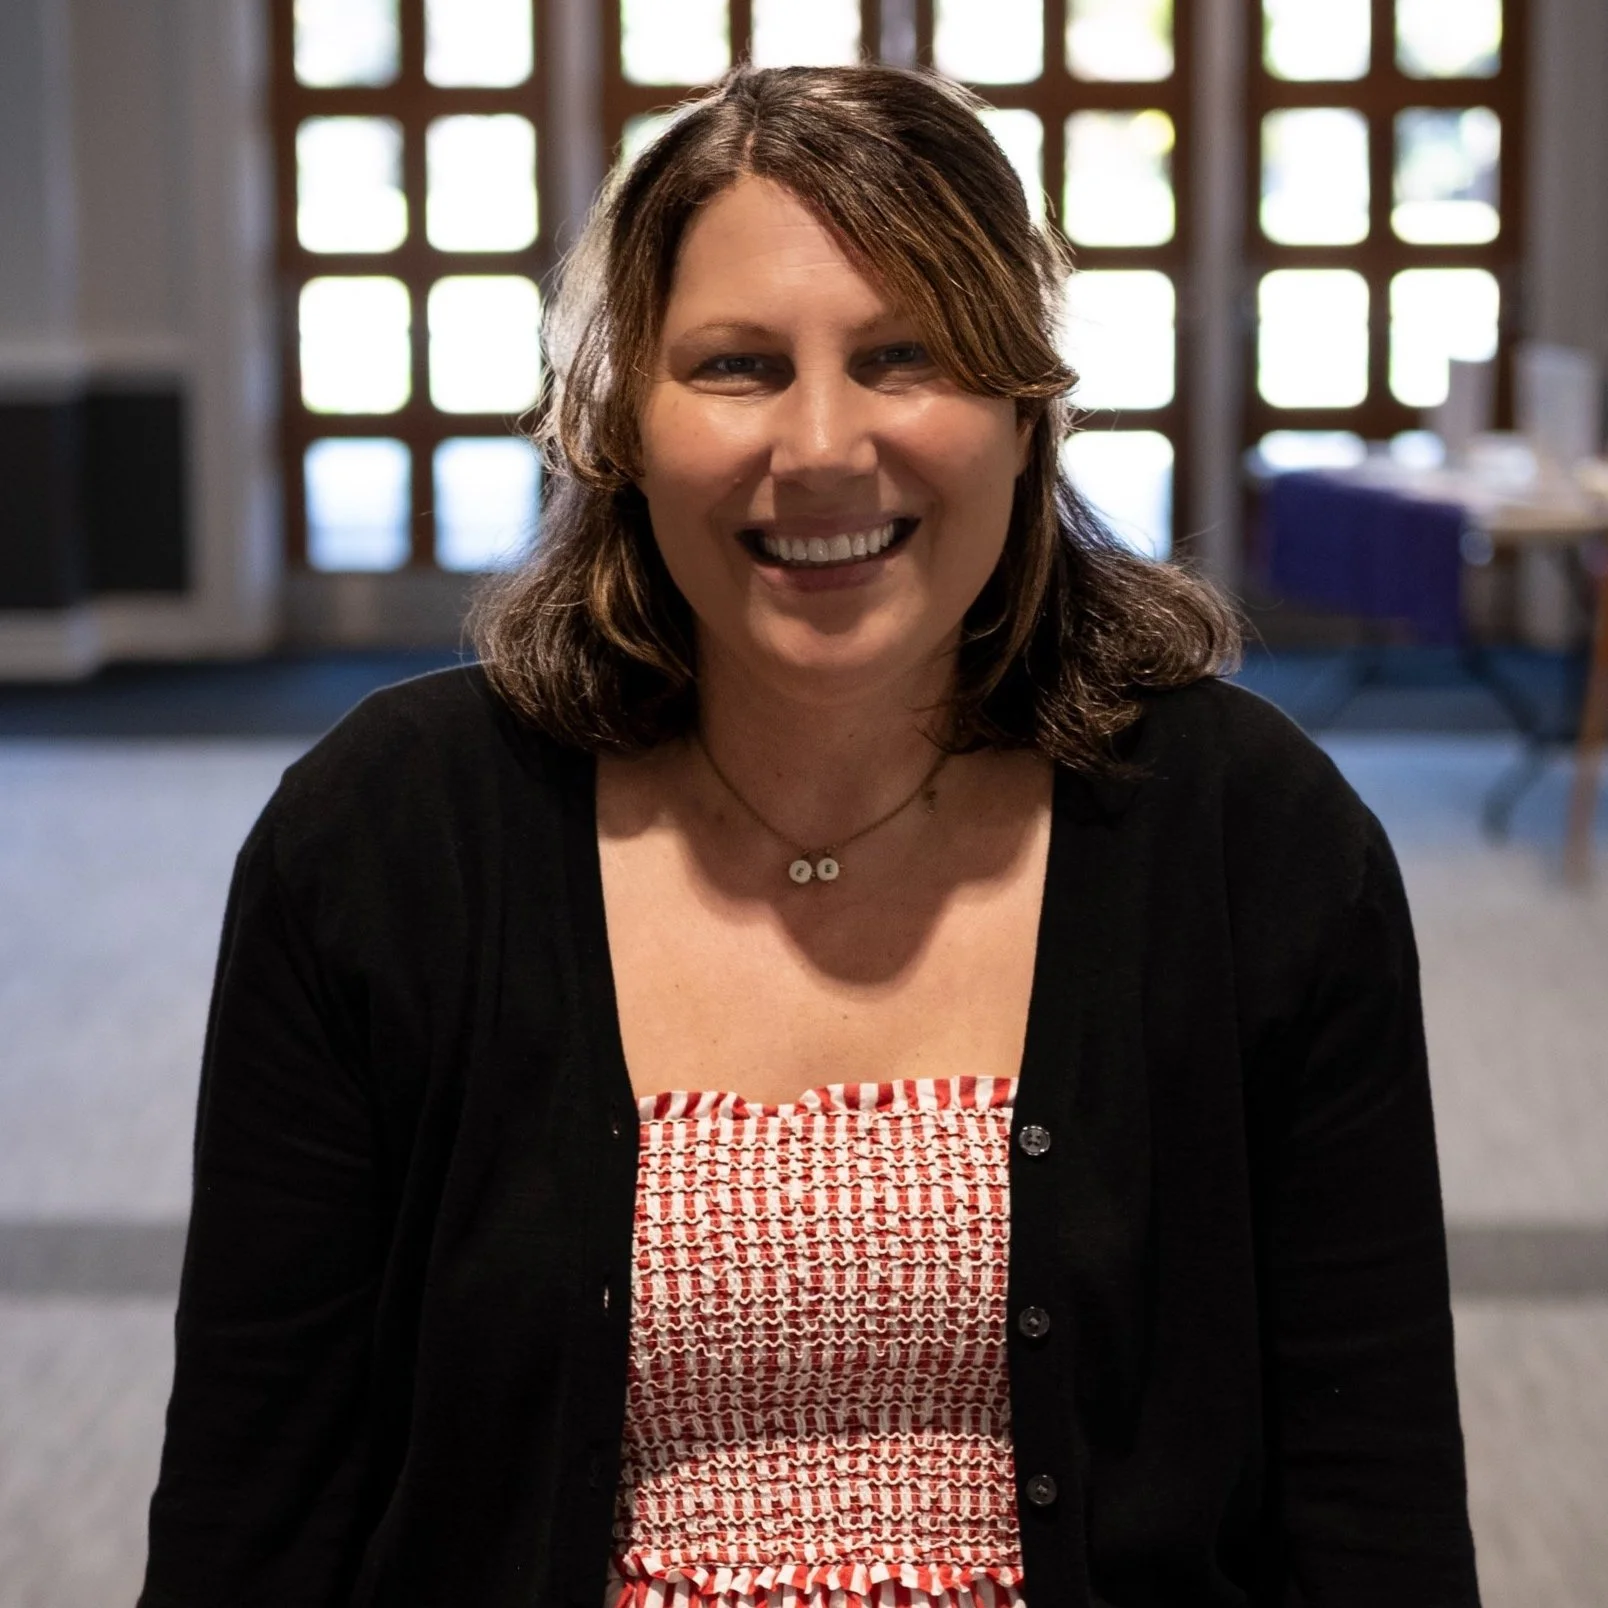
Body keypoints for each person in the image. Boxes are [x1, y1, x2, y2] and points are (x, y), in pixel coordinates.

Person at [140, 63, 1479, 1608]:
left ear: (1023, 406)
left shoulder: (1256, 844)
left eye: (905, 354)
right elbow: (254, 1509)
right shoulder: (383, 846)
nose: (824, 444)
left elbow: (1375, 1511)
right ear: (622, 423)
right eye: (737, 365)